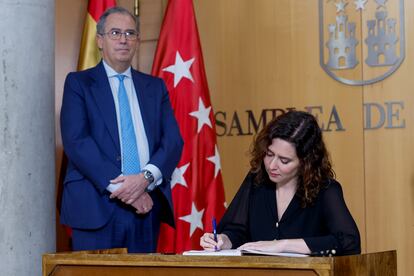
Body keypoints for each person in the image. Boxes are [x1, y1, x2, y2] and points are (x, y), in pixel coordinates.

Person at [60, 6, 183, 253]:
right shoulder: (79, 83)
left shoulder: (155, 87)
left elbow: (173, 142)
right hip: (96, 206)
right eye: (115, 33)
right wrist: (127, 190)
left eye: (130, 33)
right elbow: (77, 142)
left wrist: (144, 179)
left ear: (137, 40)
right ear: (100, 41)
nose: (123, 40)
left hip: (146, 208)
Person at [200, 111, 360, 256]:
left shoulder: (326, 190)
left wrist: (284, 245)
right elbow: (237, 231)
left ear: (306, 163)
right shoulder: (257, 179)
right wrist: (223, 240)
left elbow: (348, 242)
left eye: (284, 160)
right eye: (269, 154)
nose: (271, 165)